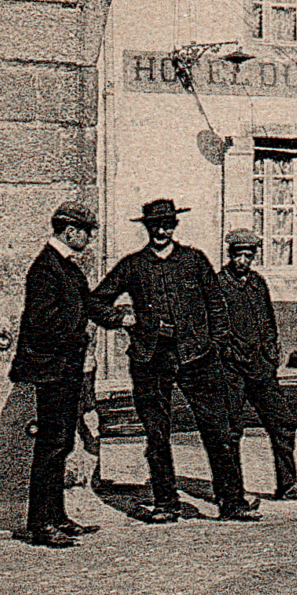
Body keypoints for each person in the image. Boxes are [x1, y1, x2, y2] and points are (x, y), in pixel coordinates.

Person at [89, 199, 258, 523]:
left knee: (218, 430)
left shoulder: (194, 260)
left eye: (167, 224)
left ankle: (232, 502)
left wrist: (216, 344)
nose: (162, 231)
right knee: (156, 433)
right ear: (148, 228)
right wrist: (123, 318)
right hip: (150, 359)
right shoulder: (133, 265)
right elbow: (96, 302)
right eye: (156, 226)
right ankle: (166, 503)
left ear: (175, 226)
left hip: (198, 357)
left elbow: (217, 305)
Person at [10, 198, 122, 548]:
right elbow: (42, 324)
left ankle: (56, 516)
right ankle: (40, 523)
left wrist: (118, 318)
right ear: (69, 231)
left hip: (66, 369)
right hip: (52, 370)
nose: (88, 239)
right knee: (51, 446)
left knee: (61, 444)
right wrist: (81, 333)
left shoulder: (68, 267)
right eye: (86, 233)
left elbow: (87, 304)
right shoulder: (46, 268)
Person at [218, 230, 297, 501]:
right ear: (230, 255)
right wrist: (227, 353)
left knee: (283, 422)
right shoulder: (218, 285)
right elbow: (212, 329)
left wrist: (272, 353)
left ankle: (288, 485)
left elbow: (269, 323)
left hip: (260, 367)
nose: (243, 260)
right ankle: (231, 492)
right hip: (231, 370)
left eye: (248, 255)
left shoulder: (258, 284)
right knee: (230, 430)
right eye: (238, 255)